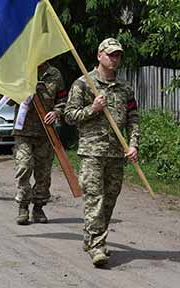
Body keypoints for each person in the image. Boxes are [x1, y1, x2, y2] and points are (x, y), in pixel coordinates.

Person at [64, 38, 140, 267]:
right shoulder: (83, 84)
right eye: (110, 54)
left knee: (109, 201)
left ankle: (91, 237)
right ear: (99, 56)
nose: (114, 59)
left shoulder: (125, 88)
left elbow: (134, 119)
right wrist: (93, 109)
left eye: (118, 55)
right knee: (94, 199)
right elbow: (69, 116)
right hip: (92, 152)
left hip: (117, 153)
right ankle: (98, 246)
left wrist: (134, 144)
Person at [13, 62, 65, 226]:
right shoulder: (21, 71)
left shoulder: (55, 74)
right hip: (24, 131)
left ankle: (38, 207)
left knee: (43, 173)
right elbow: (6, 99)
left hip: (45, 133)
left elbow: (62, 99)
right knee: (24, 167)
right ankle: (23, 206)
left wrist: (56, 112)